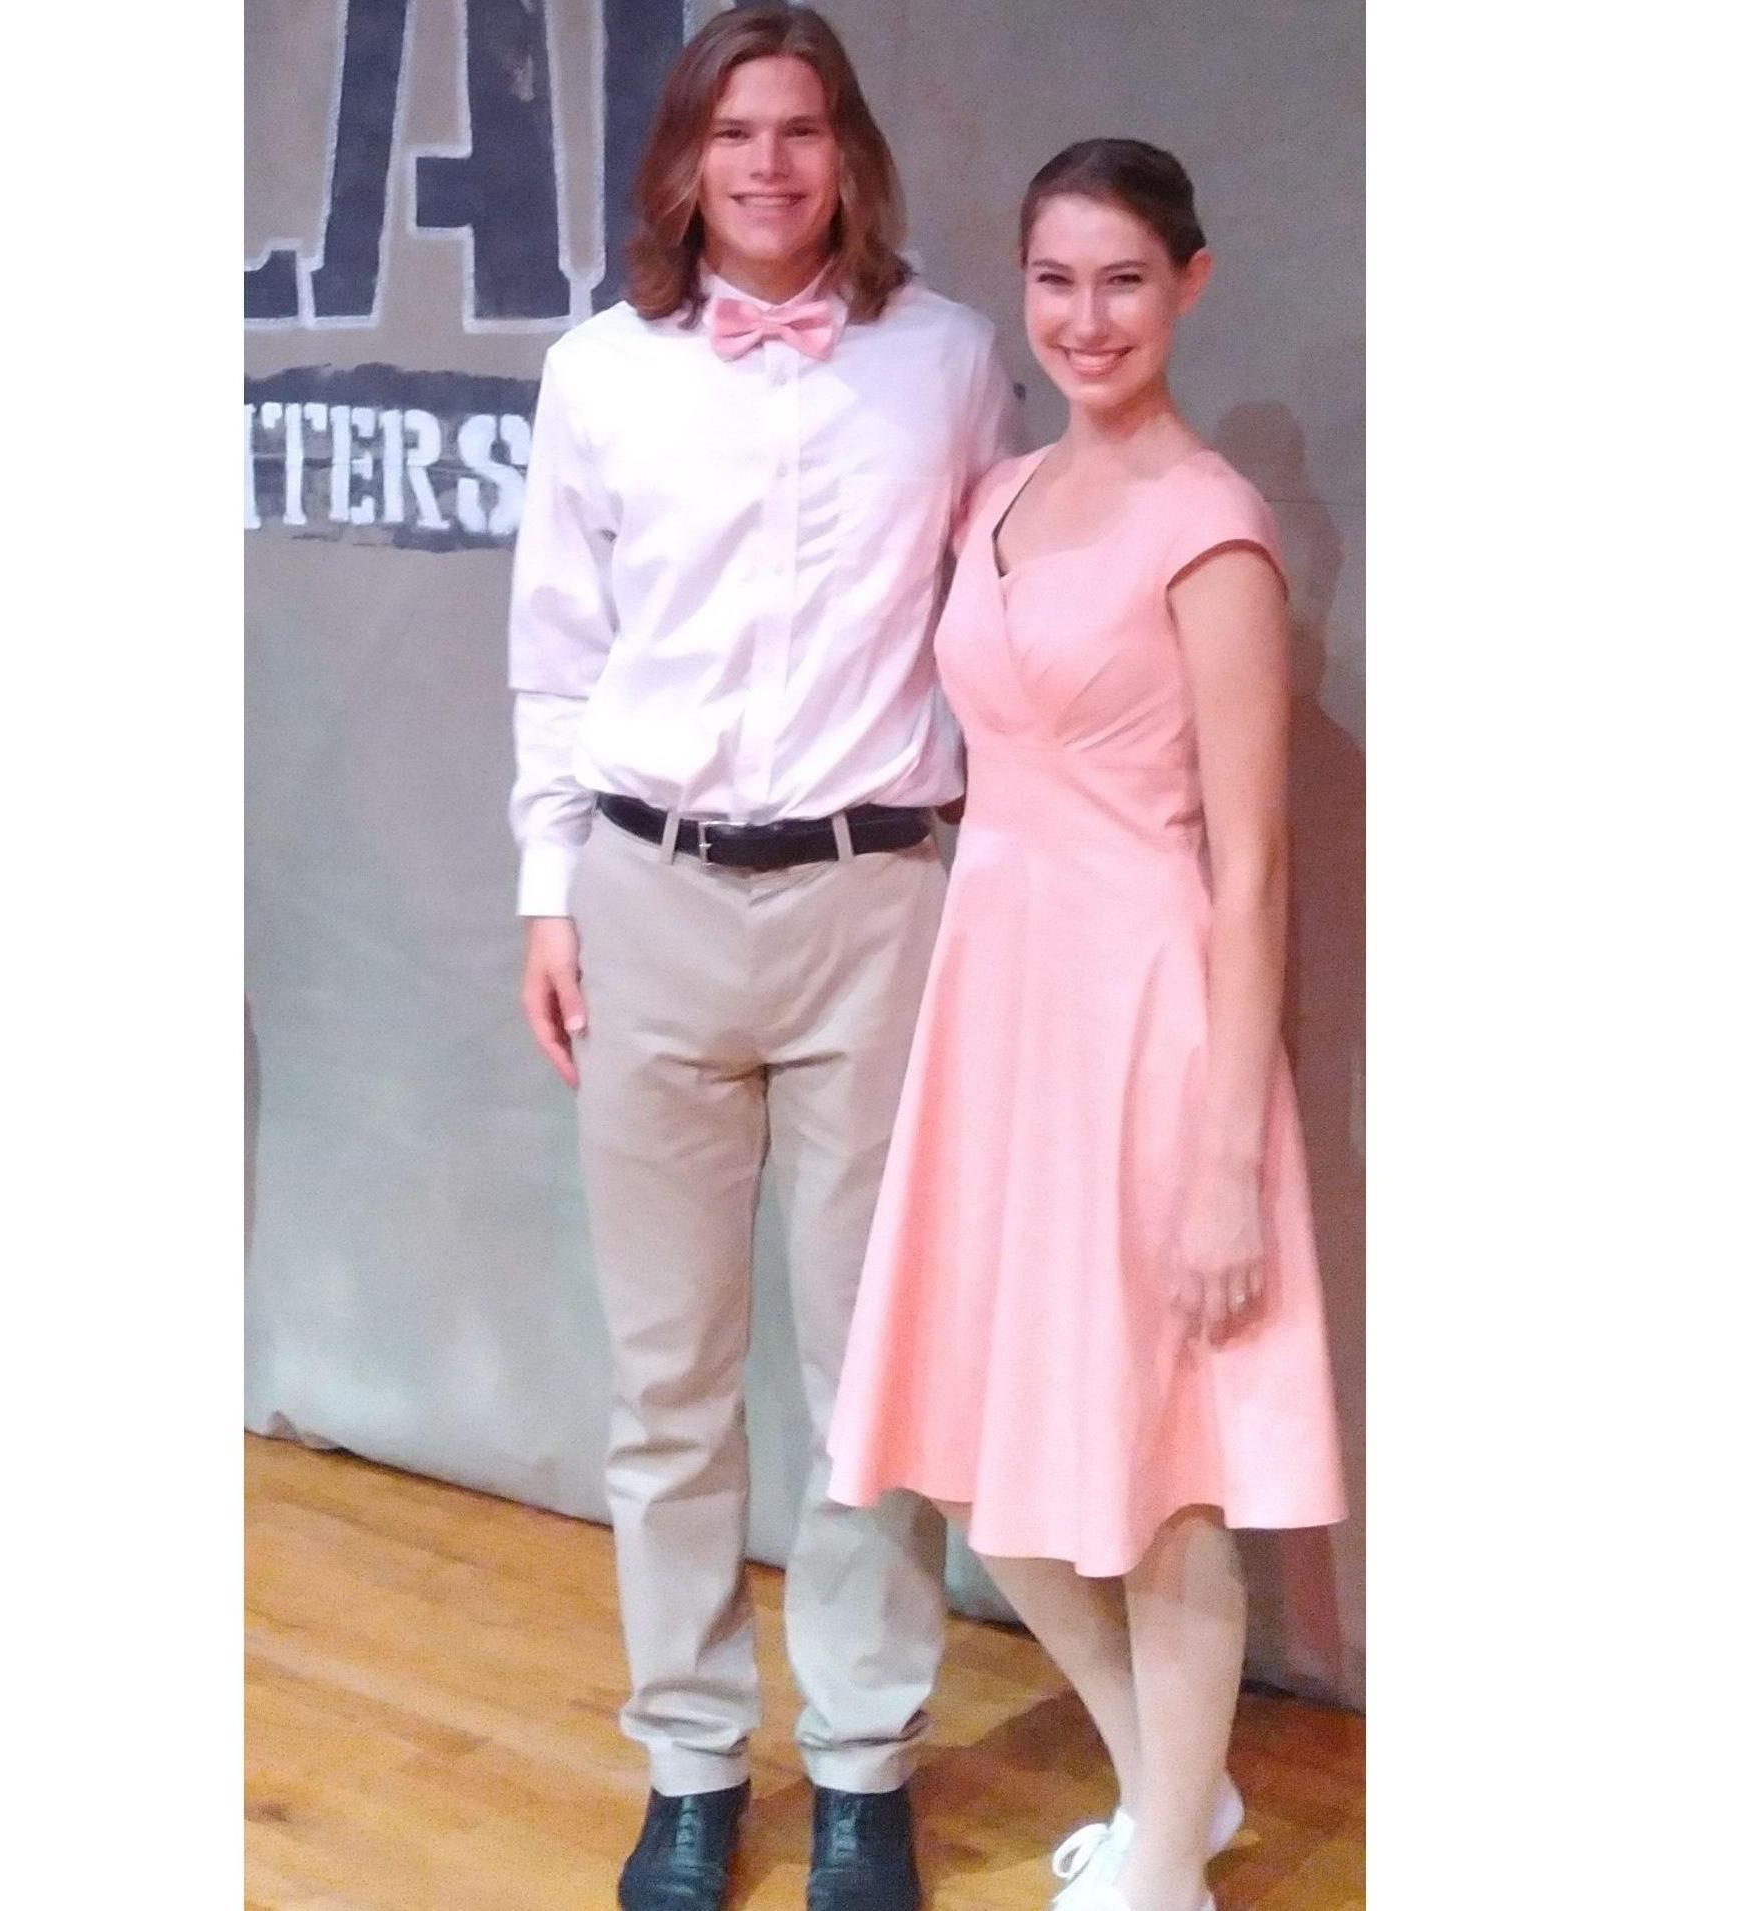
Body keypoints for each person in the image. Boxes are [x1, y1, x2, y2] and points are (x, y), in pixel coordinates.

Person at [507, 7, 1016, 1907]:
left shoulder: (953, 361)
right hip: (645, 894)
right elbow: (556, 657)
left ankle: (868, 1763)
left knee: (867, 1374)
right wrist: (546, 898)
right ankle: (693, 1765)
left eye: (803, 129)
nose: (771, 165)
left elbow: (1004, 632)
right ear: (685, 161)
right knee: (668, 1381)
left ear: (848, 153)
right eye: (737, 132)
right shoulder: (594, 376)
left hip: (879, 903)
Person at [826, 138, 1348, 1911]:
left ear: (1187, 284)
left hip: (1150, 1029)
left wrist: (1224, 1166)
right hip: (1001, 1021)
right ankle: (1167, 1792)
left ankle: (1160, 1880)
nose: (1085, 316)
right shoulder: (992, 495)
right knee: (987, 1460)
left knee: (1163, 1475)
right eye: (1055, 280)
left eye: (1123, 278)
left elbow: (1256, 865)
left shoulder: (1211, 526)